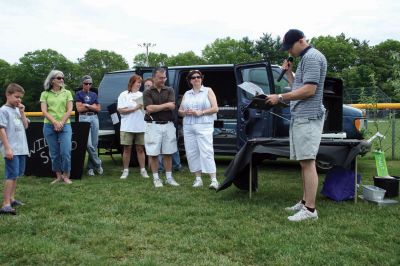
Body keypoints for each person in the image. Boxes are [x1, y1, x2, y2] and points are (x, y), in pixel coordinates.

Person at [265, 29, 327, 221]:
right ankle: (304, 201)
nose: (289, 52)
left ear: (301, 41)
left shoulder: (312, 58)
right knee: (304, 162)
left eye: (290, 47)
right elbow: (300, 87)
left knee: (308, 162)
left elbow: (309, 90)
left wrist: (280, 97)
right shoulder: (305, 59)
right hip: (301, 117)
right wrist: (289, 73)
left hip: (308, 117)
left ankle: (310, 210)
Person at [178, 70, 219, 189]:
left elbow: (215, 108)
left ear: (201, 79)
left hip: (204, 125)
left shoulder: (208, 90)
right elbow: (180, 111)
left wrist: (201, 112)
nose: (196, 79)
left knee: (207, 152)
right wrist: (185, 112)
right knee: (191, 152)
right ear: (190, 80)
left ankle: (214, 180)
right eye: (193, 77)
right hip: (188, 126)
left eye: (198, 77)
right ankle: (198, 179)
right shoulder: (187, 93)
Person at [143, 68, 179, 187]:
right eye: (160, 78)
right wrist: (166, 105)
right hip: (153, 126)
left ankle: (169, 178)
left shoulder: (170, 90)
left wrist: (156, 107)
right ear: (154, 77)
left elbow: (172, 107)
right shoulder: (147, 92)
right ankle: (156, 178)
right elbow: (149, 108)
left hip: (168, 125)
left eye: (164, 78)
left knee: (168, 152)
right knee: (153, 153)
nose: (163, 80)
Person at [40, 70, 74, 184]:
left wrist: (61, 123)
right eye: (59, 78)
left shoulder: (67, 92)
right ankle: (58, 176)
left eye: (62, 78)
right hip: (49, 126)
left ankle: (66, 175)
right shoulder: (45, 94)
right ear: (52, 80)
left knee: (65, 152)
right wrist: (55, 122)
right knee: (54, 153)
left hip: (65, 125)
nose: (62, 80)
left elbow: (69, 110)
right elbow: (44, 111)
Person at [0, 84, 29, 215]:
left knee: (16, 174)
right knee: (11, 175)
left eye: (20, 98)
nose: (19, 100)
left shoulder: (18, 110)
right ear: (8, 95)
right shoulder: (3, 110)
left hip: (21, 148)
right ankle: (5, 204)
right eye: (16, 97)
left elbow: (26, 125)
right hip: (12, 148)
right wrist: (7, 148)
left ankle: (11, 199)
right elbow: (1, 129)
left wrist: (22, 112)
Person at [117, 74, 149, 179]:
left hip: (141, 126)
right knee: (127, 149)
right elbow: (121, 110)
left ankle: (143, 170)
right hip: (127, 127)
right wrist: (135, 108)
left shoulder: (142, 95)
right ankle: (125, 170)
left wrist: (144, 108)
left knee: (140, 148)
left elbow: (147, 111)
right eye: (138, 82)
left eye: (140, 82)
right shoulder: (123, 95)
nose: (140, 84)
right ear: (132, 83)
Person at [75, 75, 103, 176]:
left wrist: (87, 105)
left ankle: (90, 168)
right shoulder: (79, 94)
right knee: (88, 144)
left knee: (94, 144)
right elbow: (79, 109)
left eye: (90, 84)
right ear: (82, 84)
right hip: (83, 118)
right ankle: (98, 163)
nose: (88, 85)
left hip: (94, 118)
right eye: (86, 83)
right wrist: (93, 106)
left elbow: (99, 108)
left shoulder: (94, 94)